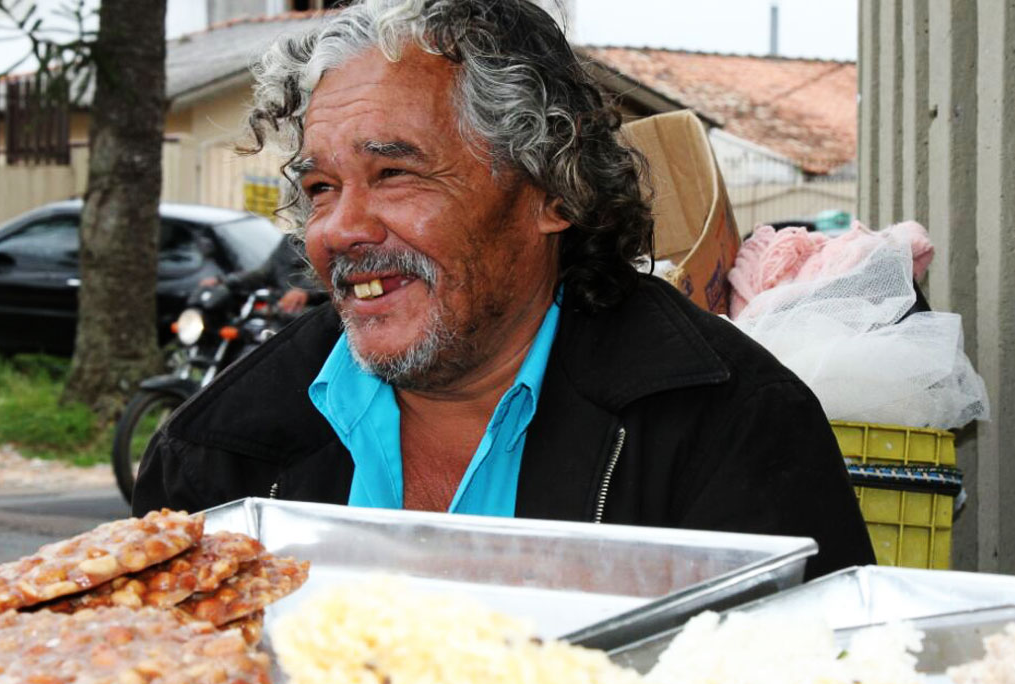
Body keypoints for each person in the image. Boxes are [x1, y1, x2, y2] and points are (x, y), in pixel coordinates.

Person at [133, 0, 875, 579]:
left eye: (395, 173)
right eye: (321, 187)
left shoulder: (731, 429)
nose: (339, 229)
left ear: (551, 190)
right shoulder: (214, 456)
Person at [199, 235, 327, 314]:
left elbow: (334, 276)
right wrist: (225, 281)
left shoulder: (330, 240)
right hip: (278, 312)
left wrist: (305, 292)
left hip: (311, 317)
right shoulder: (290, 241)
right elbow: (264, 273)